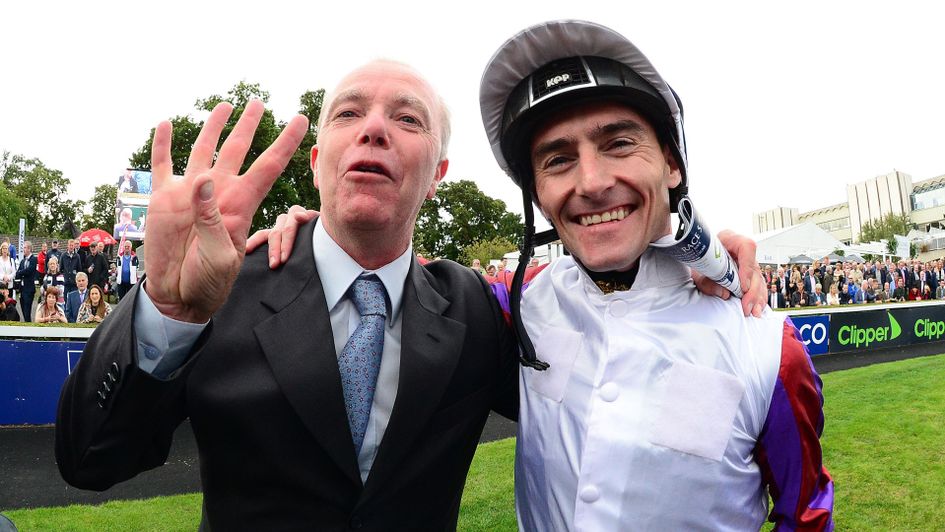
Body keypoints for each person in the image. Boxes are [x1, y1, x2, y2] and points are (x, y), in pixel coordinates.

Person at [474, 20, 831, 529]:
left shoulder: (768, 346)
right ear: (538, 194)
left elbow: (807, 516)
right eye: (558, 159)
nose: (592, 182)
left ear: (671, 164)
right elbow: (404, 279)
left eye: (619, 144)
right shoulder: (519, 301)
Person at [14, 241, 38, 322]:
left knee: (27, 311)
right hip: (22, 289)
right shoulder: (23, 261)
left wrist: (21, 272)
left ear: (29, 249)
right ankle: (26, 325)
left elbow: (29, 270)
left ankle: (29, 326)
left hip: (29, 289)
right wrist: (21, 272)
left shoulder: (34, 259)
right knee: (23, 310)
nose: (23, 250)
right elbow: (17, 273)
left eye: (24, 247)